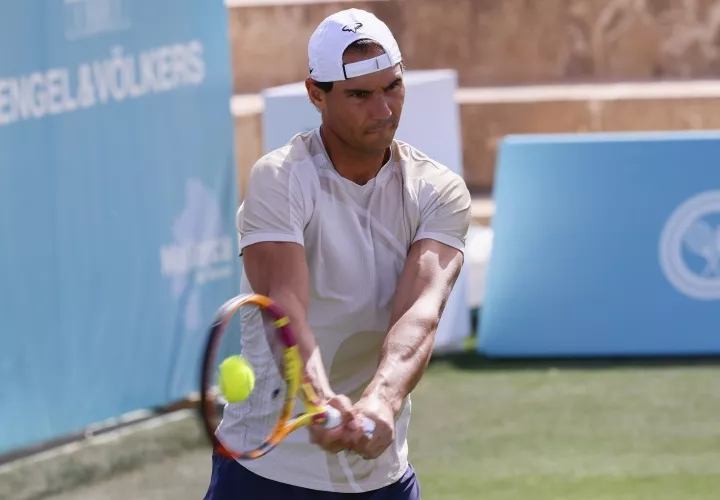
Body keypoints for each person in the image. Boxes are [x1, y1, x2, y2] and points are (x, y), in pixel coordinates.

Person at [204, 7, 471, 499]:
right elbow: (284, 308)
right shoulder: (280, 178)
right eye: (360, 95)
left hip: (381, 479)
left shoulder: (439, 191)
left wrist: (382, 401)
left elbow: (420, 313)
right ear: (316, 94)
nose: (384, 109)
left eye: (393, 87)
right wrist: (320, 398)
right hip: (266, 478)